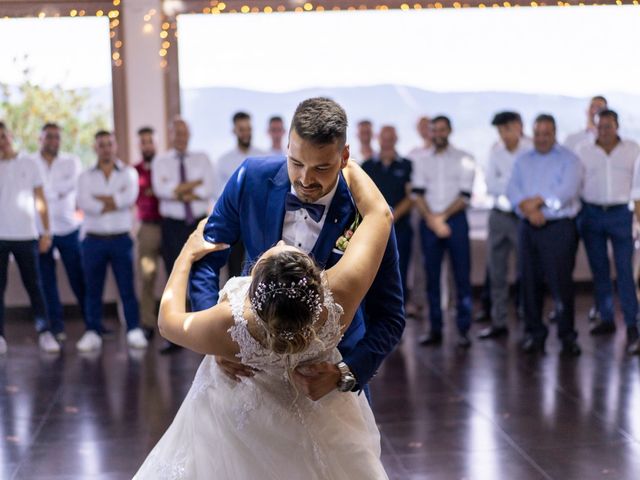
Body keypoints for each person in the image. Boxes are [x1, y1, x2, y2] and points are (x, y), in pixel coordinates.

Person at [134, 160, 392, 479]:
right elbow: (379, 215)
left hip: (234, 425)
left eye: (276, 252)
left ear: (253, 283)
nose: (282, 243)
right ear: (316, 280)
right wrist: (344, 163)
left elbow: (167, 322)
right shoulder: (338, 300)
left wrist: (185, 255)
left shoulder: (231, 324)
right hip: (320, 416)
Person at [190, 97, 404, 401]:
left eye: (321, 167)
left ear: (344, 157)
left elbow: (390, 315)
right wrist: (215, 336)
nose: (305, 179)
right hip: (251, 371)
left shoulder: (367, 214)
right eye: (296, 163)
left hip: (330, 374)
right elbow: (206, 258)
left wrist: (346, 372)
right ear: (287, 147)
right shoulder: (250, 178)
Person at [506, 114, 582, 356]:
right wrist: (528, 212)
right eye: (538, 133)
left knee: (561, 284)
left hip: (558, 228)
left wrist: (537, 203)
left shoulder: (569, 159)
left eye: (546, 133)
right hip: (528, 228)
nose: (541, 138)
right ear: (533, 133)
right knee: (528, 283)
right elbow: (512, 191)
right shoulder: (522, 160)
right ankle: (535, 335)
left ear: (555, 133)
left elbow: (565, 192)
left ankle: (567, 337)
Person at [75, 131, 148, 352]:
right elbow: (84, 203)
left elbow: (129, 198)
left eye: (109, 144)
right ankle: (92, 332)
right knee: (93, 289)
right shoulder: (85, 176)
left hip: (121, 239)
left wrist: (103, 199)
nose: (106, 148)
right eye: (101, 145)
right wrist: (115, 200)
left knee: (127, 287)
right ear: (95, 148)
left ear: (115, 146)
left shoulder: (128, 173)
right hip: (93, 241)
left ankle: (133, 330)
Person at [576, 110, 640, 355]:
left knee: (624, 269)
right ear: (595, 127)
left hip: (621, 214)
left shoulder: (633, 150)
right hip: (592, 213)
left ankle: (632, 322)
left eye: (608, 126)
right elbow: (577, 182)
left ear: (617, 126)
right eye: (600, 126)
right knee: (599, 268)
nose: (604, 130)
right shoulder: (584, 150)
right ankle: (606, 317)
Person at [152, 117, 216, 353]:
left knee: (202, 275)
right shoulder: (161, 160)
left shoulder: (202, 158)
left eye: (184, 133)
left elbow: (208, 189)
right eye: (176, 133)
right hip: (172, 225)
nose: (180, 137)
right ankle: (174, 335)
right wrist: (192, 187)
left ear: (189, 134)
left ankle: (204, 332)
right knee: (174, 275)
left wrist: (179, 190)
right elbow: (161, 190)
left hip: (197, 225)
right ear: (170, 135)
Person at [412, 116, 475, 348]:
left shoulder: (465, 158)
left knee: (461, 277)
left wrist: (442, 218)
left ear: (449, 130)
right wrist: (432, 219)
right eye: (434, 129)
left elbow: (465, 195)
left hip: (455, 221)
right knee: (432, 278)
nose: (437, 133)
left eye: (441, 129)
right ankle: (435, 329)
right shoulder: (421, 161)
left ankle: (463, 329)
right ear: (429, 132)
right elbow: (417, 193)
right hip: (429, 223)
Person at [0, 121, 60, 354]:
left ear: (10, 135)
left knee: (35, 286)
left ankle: (45, 332)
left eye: (4, 136)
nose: (2, 141)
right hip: (1, 237)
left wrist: (46, 232)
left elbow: (41, 199)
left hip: (26, 235)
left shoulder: (29, 163)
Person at [478, 112, 532, 340]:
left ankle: (529, 320)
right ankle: (499, 322)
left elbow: (531, 183)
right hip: (499, 215)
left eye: (507, 129)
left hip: (523, 216)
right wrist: (514, 185)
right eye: (500, 131)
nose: (503, 135)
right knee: (497, 271)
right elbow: (490, 184)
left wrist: (508, 184)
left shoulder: (531, 149)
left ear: (518, 127)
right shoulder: (495, 151)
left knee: (527, 270)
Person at [34, 123, 86, 342]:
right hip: (40, 231)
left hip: (68, 229)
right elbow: (51, 193)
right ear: (41, 139)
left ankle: (92, 324)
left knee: (78, 278)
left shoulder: (71, 162)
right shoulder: (31, 162)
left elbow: (66, 189)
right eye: (49, 137)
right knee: (47, 282)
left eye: (57, 137)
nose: (53, 141)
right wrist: (48, 193)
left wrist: (42, 192)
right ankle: (56, 327)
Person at [361, 125, 413, 304]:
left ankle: (399, 309)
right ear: (378, 139)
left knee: (400, 269)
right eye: (384, 138)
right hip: (372, 230)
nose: (387, 142)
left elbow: (411, 196)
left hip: (400, 228)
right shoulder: (367, 166)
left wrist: (391, 216)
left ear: (396, 139)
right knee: (372, 269)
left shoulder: (407, 165)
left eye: (391, 138)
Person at [217, 112, 266, 277]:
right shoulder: (224, 161)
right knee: (235, 270)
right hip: (235, 223)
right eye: (241, 129)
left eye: (248, 129)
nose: (246, 133)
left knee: (260, 266)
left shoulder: (263, 157)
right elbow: (219, 194)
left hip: (259, 222)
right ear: (234, 131)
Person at [134, 126, 162, 340]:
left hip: (170, 225)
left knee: (176, 273)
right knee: (147, 275)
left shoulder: (166, 166)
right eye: (143, 142)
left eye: (150, 141)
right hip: (148, 226)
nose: (147, 145)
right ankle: (147, 322)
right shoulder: (134, 171)